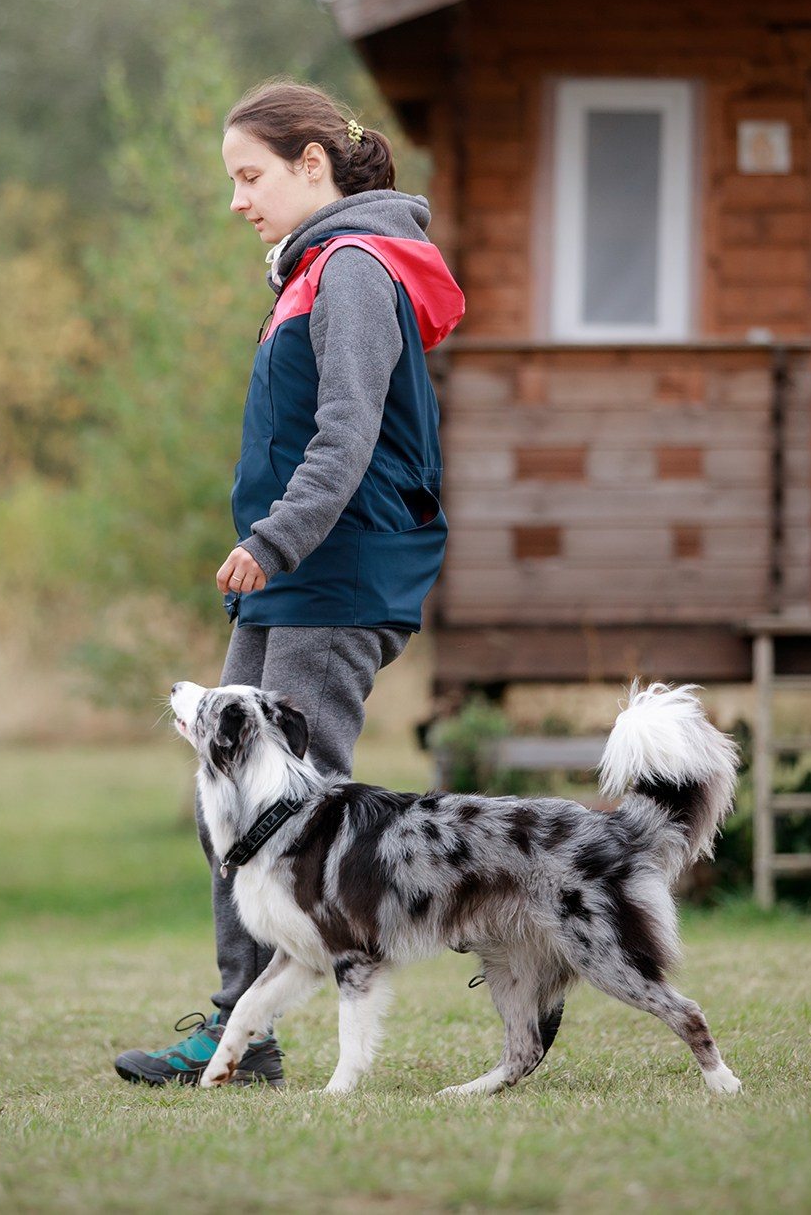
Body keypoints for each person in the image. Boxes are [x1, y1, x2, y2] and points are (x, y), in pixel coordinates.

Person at [113, 78, 464, 1087]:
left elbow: (346, 428)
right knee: (226, 800)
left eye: (250, 175)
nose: (237, 200)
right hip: (294, 576)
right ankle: (242, 1025)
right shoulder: (313, 268)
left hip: (331, 567)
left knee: (287, 818)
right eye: (232, 180)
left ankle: (244, 1030)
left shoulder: (352, 266)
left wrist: (273, 537)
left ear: (313, 163)